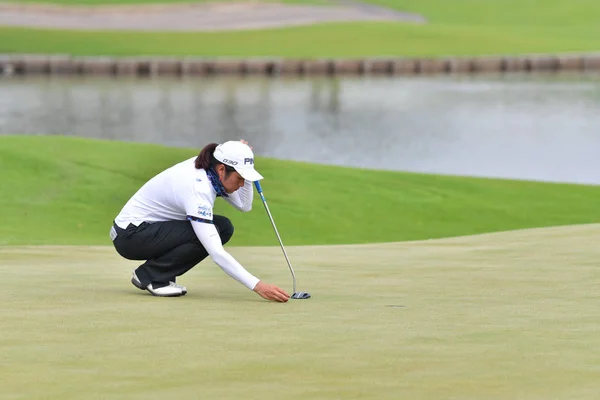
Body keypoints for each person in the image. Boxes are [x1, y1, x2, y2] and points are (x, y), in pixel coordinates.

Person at [109, 139, 290, 302]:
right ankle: (153, 277)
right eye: (240, 178)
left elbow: (244, 205)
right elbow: (217, 253)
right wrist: (258, 286)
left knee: (223, 227)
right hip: (131, 236)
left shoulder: (212, 170)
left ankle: (157, 274)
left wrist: (246, 170)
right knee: (214, 233)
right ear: (221, 169)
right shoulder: (198, 187)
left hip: (146, 231)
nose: (241, 184)